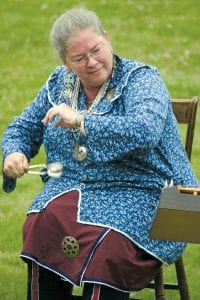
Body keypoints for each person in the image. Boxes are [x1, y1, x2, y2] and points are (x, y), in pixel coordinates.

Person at [1, 6, 198, 300]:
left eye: (96, 50)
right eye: (79, 58)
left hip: (156, 194)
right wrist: (13, 153)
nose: (92, 62)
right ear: (66, 62)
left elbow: (144, 131)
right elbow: (24, 127)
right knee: (42, 225)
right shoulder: (59, 84)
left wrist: (81, 120)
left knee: (107, 247)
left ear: (107, 38)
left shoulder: (142, 80)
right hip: (78, 189)